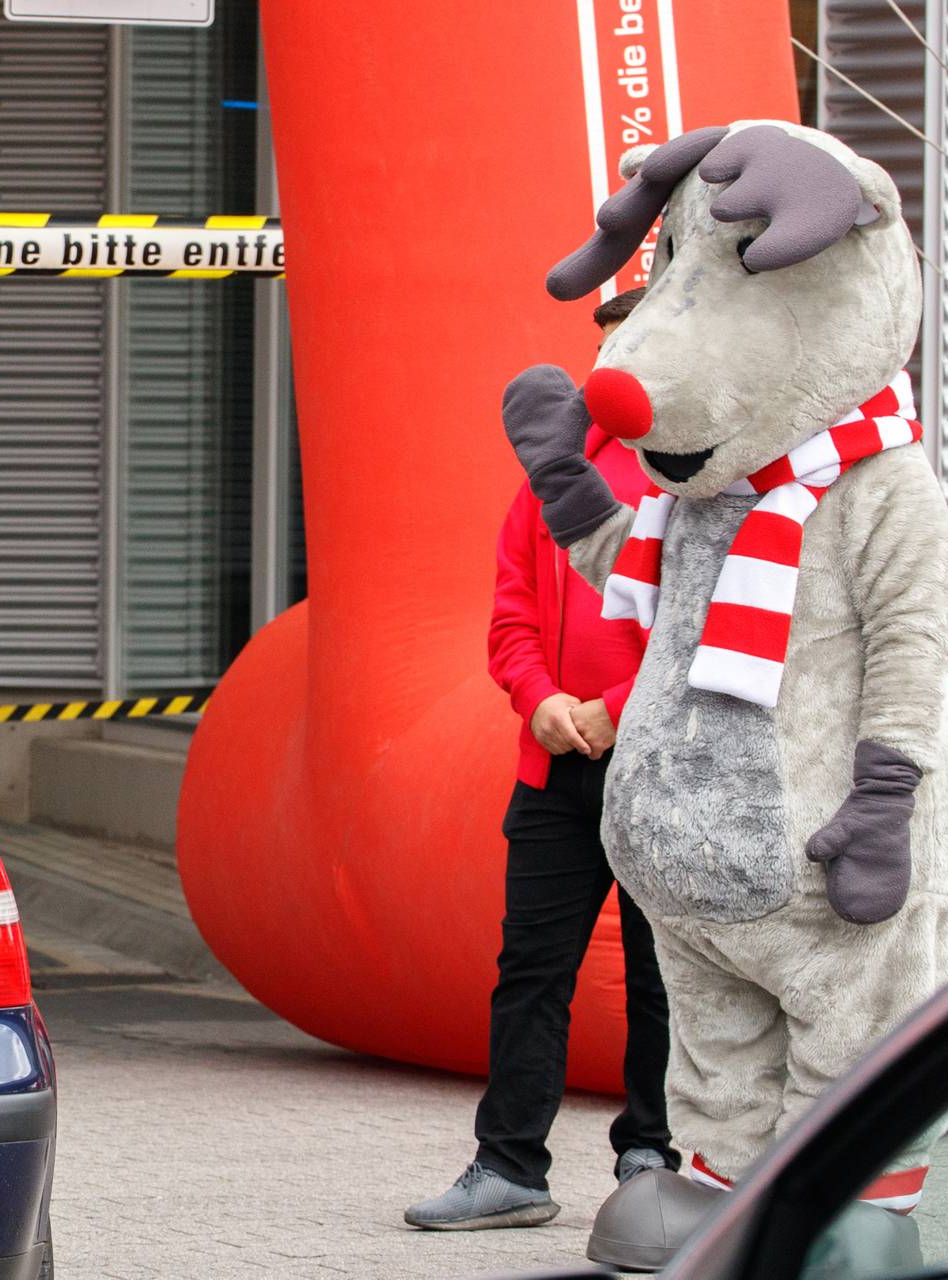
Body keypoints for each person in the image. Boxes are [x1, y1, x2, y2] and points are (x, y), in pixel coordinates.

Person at [405, 286, 674, 1231]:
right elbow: (511, 614)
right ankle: (509, 1167)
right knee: (531, 969)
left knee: (662, 973)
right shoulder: (550, 477)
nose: (612, 364)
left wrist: (612, 708)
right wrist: (543, 701)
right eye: (603, 346)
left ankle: (652, 1156)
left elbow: (701, 626)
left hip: (665, 766)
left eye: (630, 344)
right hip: (553, 762)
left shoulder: (698, 475)